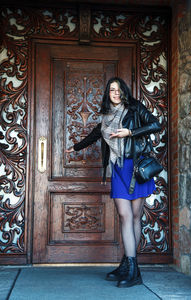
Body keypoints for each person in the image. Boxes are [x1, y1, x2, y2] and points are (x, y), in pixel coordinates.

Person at [66, 77, 161, 288]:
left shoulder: (135, 108)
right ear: (107, 93)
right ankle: (129, 266)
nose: (115, 93)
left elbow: (155, 124)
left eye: (118, 90)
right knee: (125, 215)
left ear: (124, 91)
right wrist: (76, 147)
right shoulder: (106, 116)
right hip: (118, 168)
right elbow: (96, 134)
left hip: (136, 167)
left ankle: (131, 268)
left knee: (135, 216)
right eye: (111, 90)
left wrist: (130, 132)